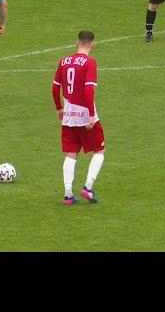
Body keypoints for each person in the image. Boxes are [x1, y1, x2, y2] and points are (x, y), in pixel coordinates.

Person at [52, 30, 105, 205]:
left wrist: (59, 108)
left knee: (71, 153)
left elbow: (54, 88)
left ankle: (68, 194)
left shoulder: (64, 61)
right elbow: (89, 90)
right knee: (99, 150)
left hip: (68, 116)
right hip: (84, 115)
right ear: (92, 45)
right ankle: (87, 187)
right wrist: (91, 115)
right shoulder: (90, 62)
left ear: (77, 43)